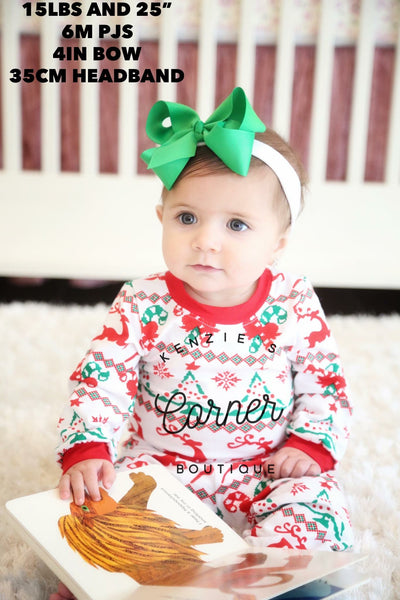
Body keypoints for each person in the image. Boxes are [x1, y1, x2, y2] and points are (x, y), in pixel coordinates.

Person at [51, 88, 353, 600]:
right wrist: (87, 445)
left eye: (237, 225)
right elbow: (101, 379)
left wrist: (309, 445)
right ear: (162, 217)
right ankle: (111, 585)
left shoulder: (293, 300)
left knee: (314, 502)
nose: (206, 240)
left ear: (277, 242)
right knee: (104, 511)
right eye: (187, 217)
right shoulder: (143, 300)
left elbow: (325, 384)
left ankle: (285, 584)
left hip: (266, 467)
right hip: (163, 465)